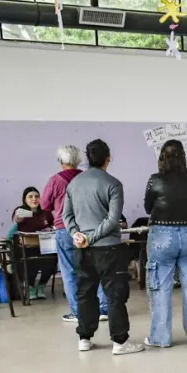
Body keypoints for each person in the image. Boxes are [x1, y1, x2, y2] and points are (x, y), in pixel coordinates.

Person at [62, 139, 143, 355]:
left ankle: (84, 338)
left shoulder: (74, 184)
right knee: (115, 295)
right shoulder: (113, 184)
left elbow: (66, 215)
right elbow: (113, 219)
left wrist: (77, 235)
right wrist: (93, 236)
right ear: (108, 158)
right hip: (108, 249)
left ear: (88, 159)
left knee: (85, 293)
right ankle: (120, 342)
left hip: (82, 249)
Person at [143, 139, 187, 348]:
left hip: (162, 234)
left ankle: (160, 337)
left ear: (162, 157)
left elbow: (147, 207)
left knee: (161, 286)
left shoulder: (155, 180)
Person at [41, 145, 108, 323]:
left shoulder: (55, 180)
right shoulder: (88, 177)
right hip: (90, 228)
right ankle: (103, 308)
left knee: (70, 271)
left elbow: (44, 205)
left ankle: (78, 312)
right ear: (79, 160)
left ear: (61, 161)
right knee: (96, 268)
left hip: (65, 229)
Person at [8, 187, 57, 301]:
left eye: (36, 196)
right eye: (30, 196)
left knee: (52, 259)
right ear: (25, 199)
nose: (34, 199)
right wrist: (17, 218)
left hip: (45, 245)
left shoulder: (46, 212)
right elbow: (16, 223)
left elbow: (54, 225)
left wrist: (50, 228)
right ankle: (30, 287)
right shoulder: (21, 211)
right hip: (27, 246)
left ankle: (41, 286)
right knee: (31, 260)